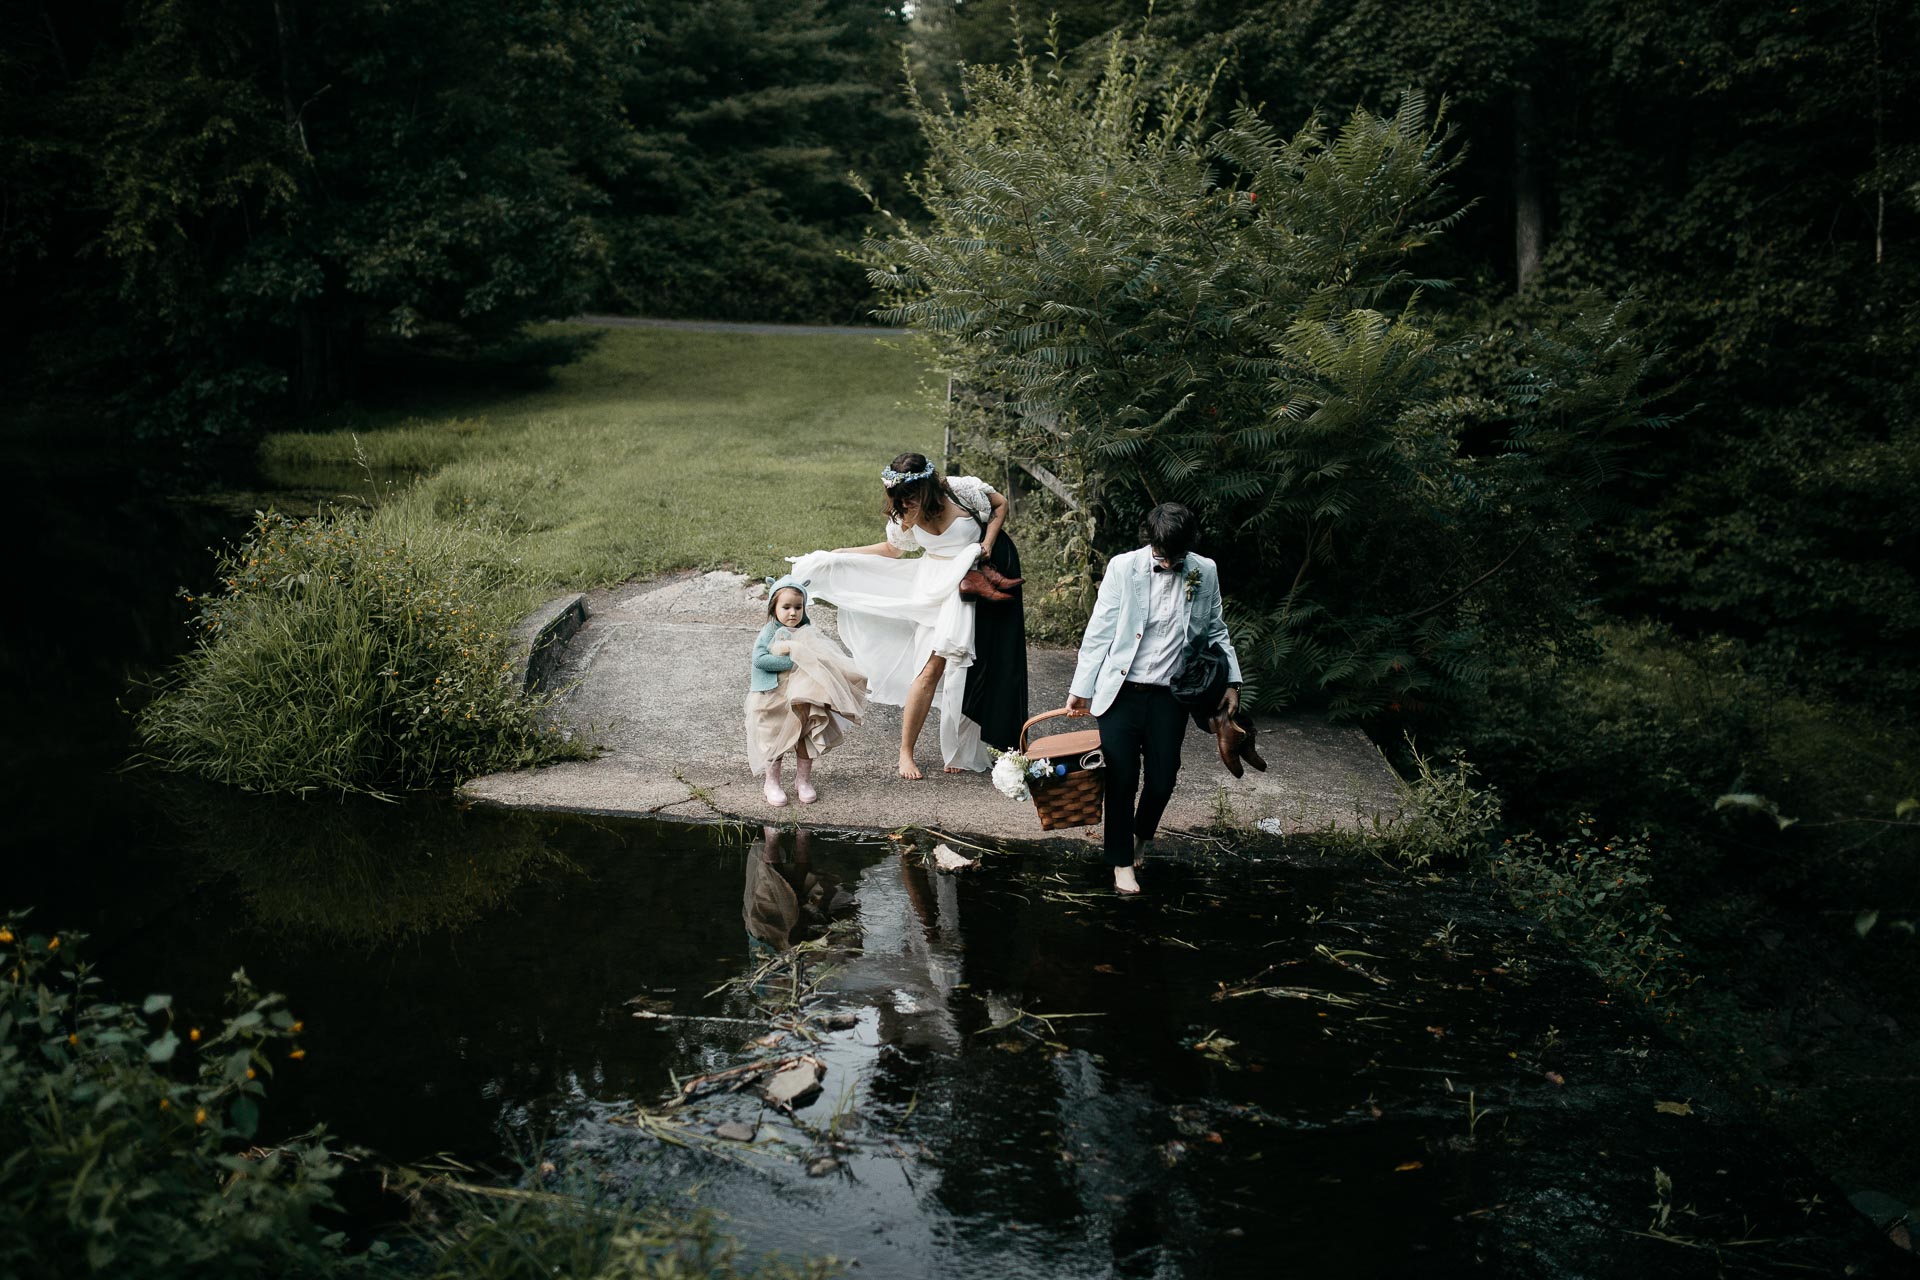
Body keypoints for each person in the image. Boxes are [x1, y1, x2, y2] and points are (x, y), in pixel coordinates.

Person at [789, 453, 1028, 779]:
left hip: (978, 585)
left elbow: (1000, 505)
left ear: (928, 488)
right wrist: (842, 556)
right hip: (935, 589)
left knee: (976, 667)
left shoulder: (961, 491)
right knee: (930, 668)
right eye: (899, 499)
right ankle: (906, 752)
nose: (904, 505)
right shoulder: (904, 514)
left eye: (911, 497)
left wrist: (987, 542)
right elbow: (893, 550)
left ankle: (970, 746)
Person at [1066, 503, 1255, 894]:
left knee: (1163, 778)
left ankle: (1141, 835)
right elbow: (1100, 630)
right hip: (1120, 692)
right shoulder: (1123, 567)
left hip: (1171, 695)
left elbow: (1216, 629)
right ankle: (1121, 863)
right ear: (1150, 540)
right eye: (1162, 555)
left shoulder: (1204, 570)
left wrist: (1232, 683)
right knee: (1121, 779)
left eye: (1175, 556)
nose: (1168, 563)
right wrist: (1080, 689)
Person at [745, 576, 868, 807]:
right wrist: (795, 662)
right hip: (773, 696)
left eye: (798, 607)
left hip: (803, 696)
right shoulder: (769, 631)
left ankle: (802, 781)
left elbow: (821, 657)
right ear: (773, 608)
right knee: (774, 738)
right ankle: (772, 783)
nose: (793, 613)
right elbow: (760, 660)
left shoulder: (807, 632)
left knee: (806, 733)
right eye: (786, 607)